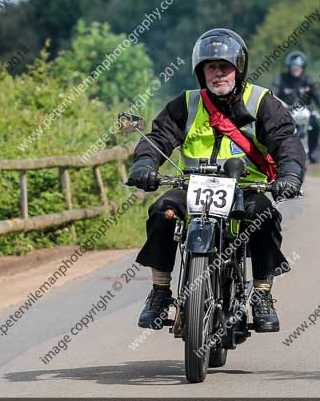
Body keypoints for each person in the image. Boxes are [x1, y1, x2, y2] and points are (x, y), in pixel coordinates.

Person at [127, 28, 306, 333]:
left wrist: (290, 173)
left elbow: (284, 139)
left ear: (238, 69)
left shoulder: (261, 102)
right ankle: (159, 292)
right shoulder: (186, 104)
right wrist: (145, 164)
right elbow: (159, 137)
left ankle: (262, 294)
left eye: (224, 67)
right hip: (193, 186)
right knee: (162, 212)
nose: (218, 74)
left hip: (247, 188)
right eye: (211, 67)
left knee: (264, 215)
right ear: (201, 72)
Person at [272, 51, 320, 163]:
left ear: (303, 67)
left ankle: (313, 151)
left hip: (305, 111)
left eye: (298, 67)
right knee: (273, 128)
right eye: (293, 66)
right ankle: (274, 153)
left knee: (315, 125)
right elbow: (272, 93)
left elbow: (318, 96)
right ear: (289, 67)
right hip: (285, 111)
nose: (296, 69)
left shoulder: (308, 80)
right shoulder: (281, 79)